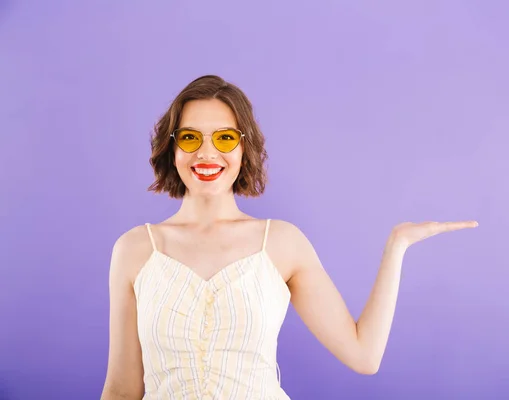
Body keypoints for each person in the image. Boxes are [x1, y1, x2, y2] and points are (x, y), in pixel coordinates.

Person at [100, 75, 478, 400]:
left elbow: (364, 355)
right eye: (189, 137)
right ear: (173, 146)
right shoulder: (135, 249)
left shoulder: (280, 242)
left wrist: (397, 246)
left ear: (244, 147)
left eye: (226, 138)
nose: (207, 152)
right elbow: (120, 391)